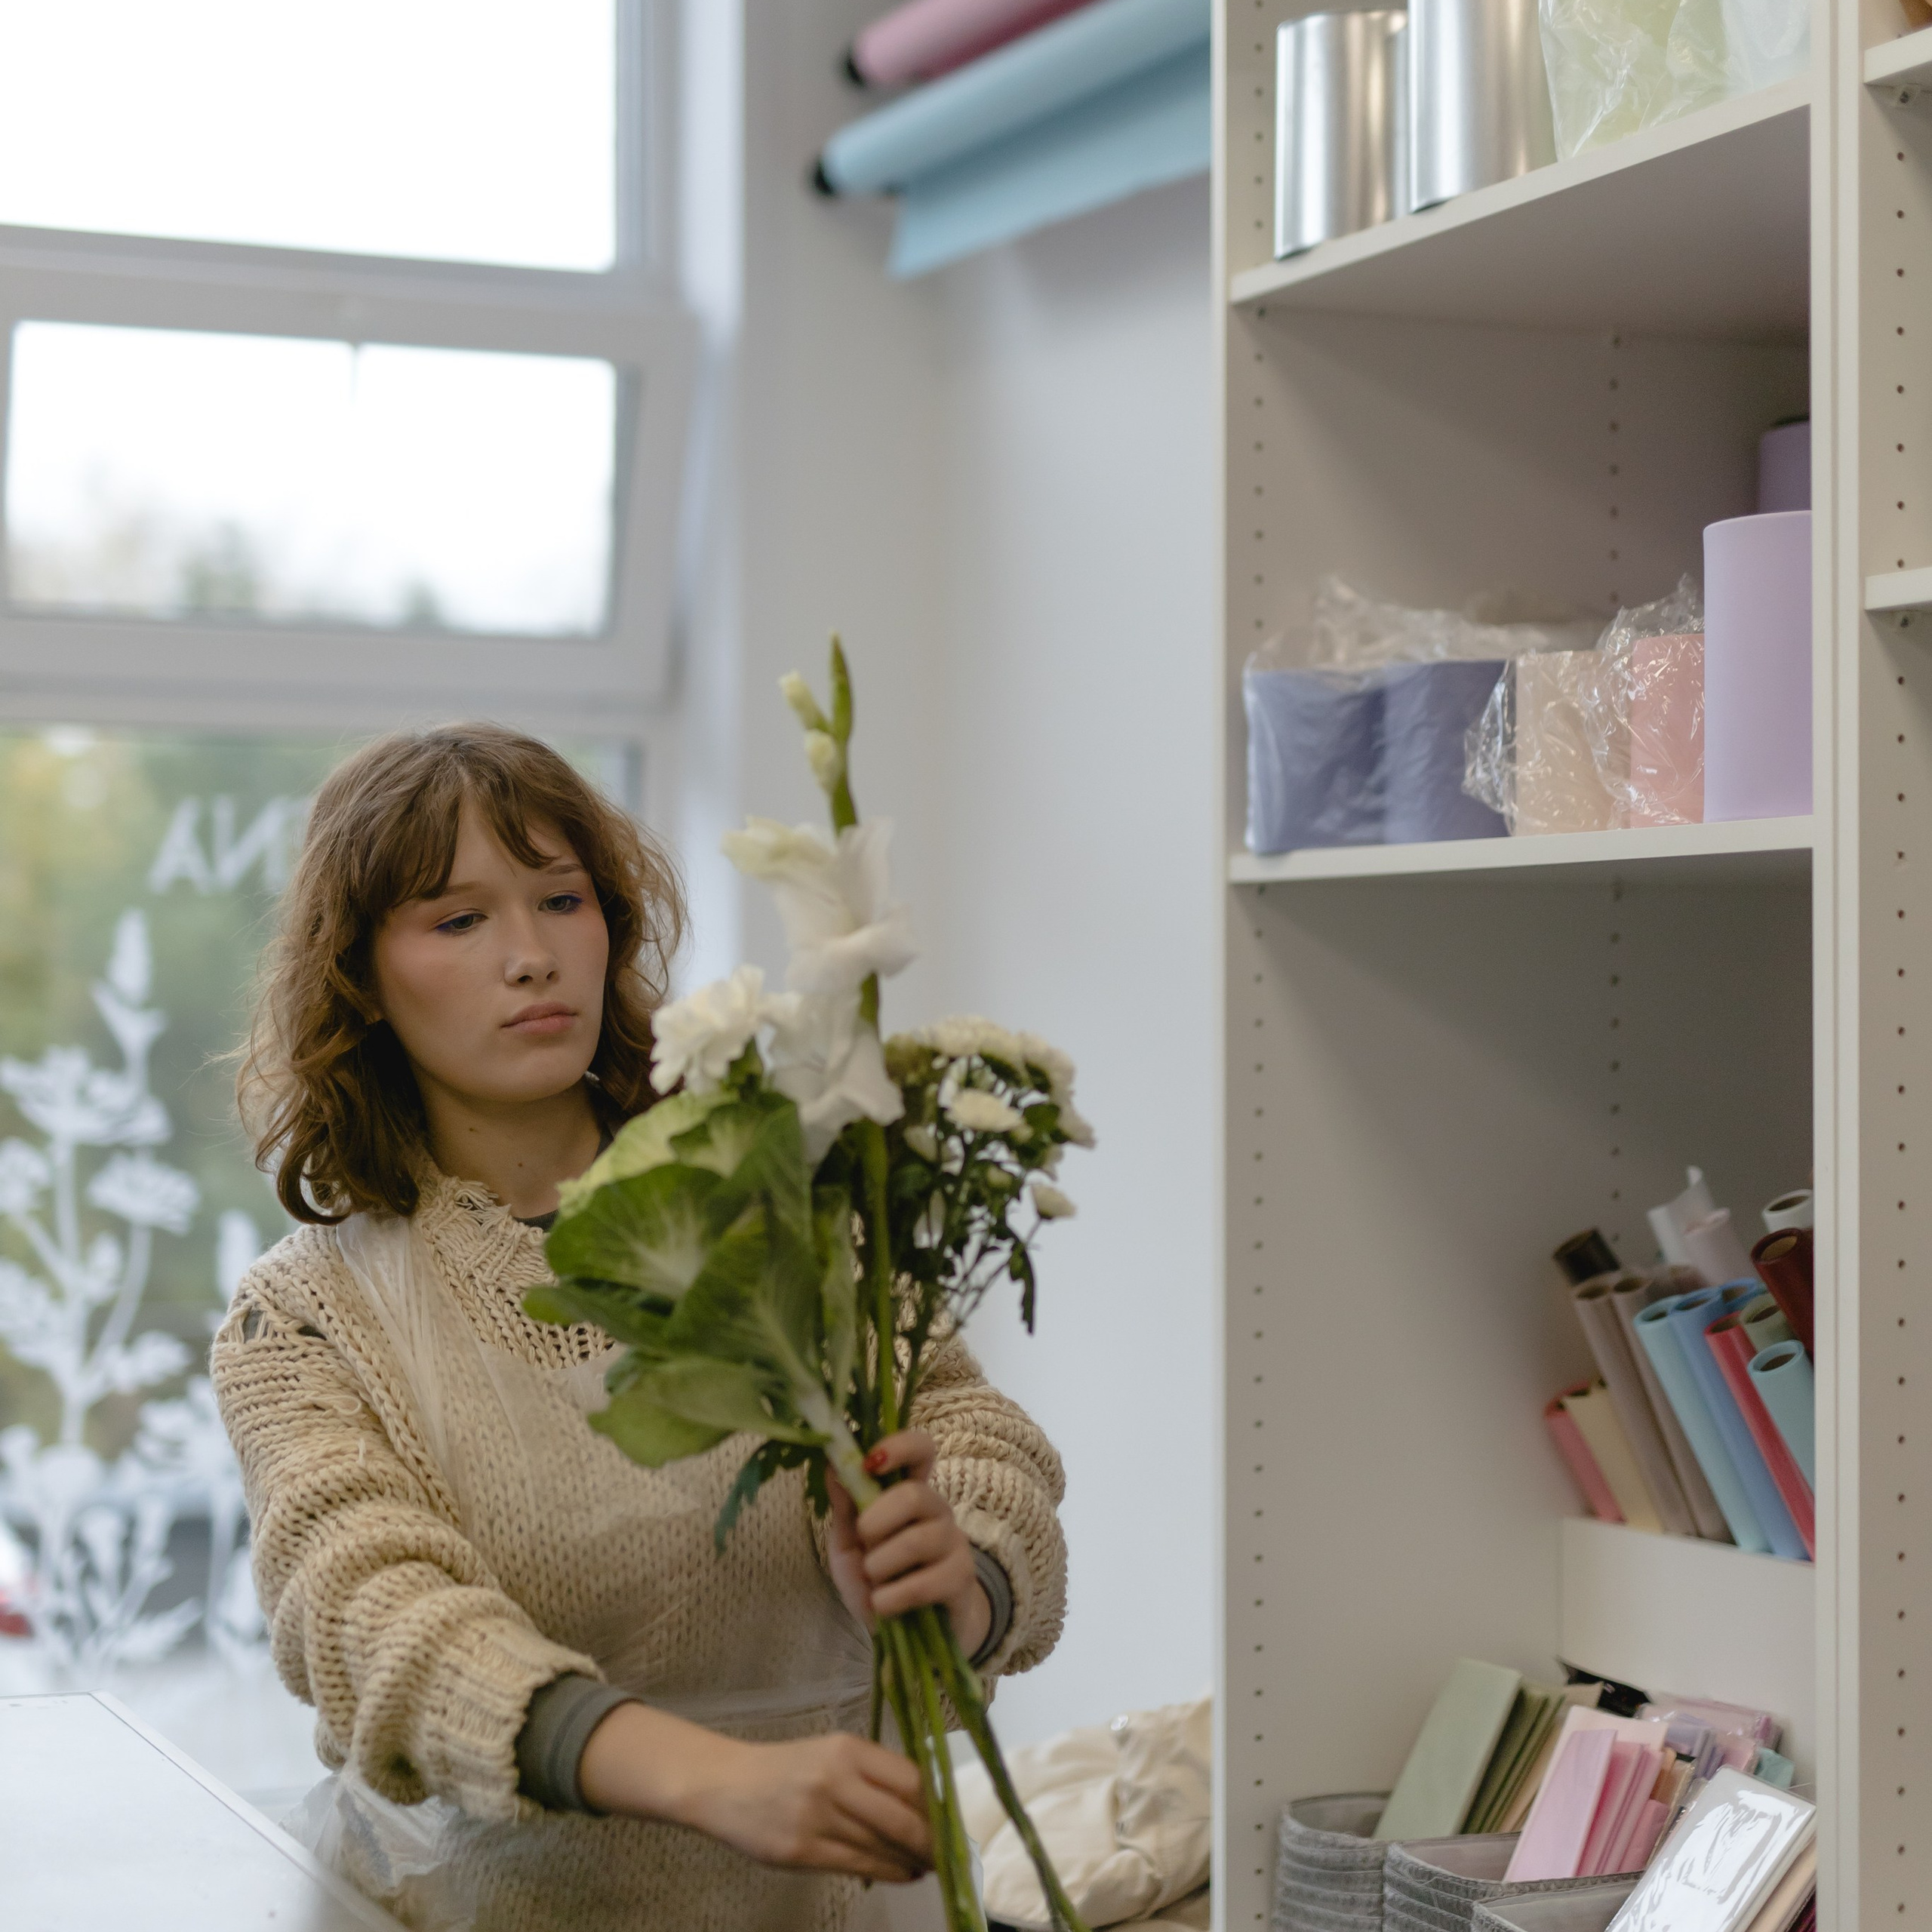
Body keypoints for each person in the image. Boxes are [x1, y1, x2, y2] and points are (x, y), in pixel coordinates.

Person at [212, 724, 1067, 1932]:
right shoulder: (304, 1318)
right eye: (457, 920)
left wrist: (960, 1574)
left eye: (561, 899)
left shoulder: (786, 1214)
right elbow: (373, 1619)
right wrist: (717, 1783)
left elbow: (981, 1439)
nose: (530, 956)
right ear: (359, 975)